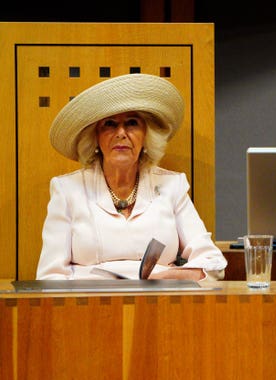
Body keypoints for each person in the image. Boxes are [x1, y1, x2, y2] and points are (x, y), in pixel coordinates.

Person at [36, 73, 227, 281]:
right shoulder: (67, 190)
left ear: (146, 136)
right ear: (95, 137)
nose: (121, 133)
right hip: (89, 306)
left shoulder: (172, 185)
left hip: (159, 304)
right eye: (109, 124)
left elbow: (212, 263)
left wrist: (168, 276)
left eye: (132, 123)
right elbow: (49, 276)